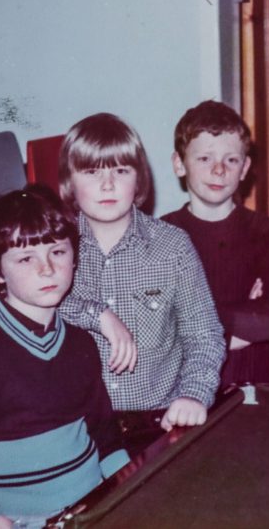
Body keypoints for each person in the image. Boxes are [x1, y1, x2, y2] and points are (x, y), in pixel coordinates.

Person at [0, 185, 130, 529]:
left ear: (74, 258)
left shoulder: (80, 343)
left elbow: (105, 434)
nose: (46, 269)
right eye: (26, 258)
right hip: (18, 522)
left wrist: (129, 493)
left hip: (95, 508)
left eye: (57, 252)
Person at [57, 112, 225, 451]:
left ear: (139, 180)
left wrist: (193, 394)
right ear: (69, 183)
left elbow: (204, 335)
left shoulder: (173, 246)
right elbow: (28, 305)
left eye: (121, 171)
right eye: (91, 172)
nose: (108, 185)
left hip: (157, 420)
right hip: (74, 423)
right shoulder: (56, 244)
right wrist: (98, 314)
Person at [163, 100, 269, 387]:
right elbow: (152, 324)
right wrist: (242, 315)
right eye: (205, 158)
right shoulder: (162, 233)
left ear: (244, 168)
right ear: (179, 164)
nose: (219, 170)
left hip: (250, 380)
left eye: (231, 160)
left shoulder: (266, 232)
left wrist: (186, 317)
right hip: (182, 386)